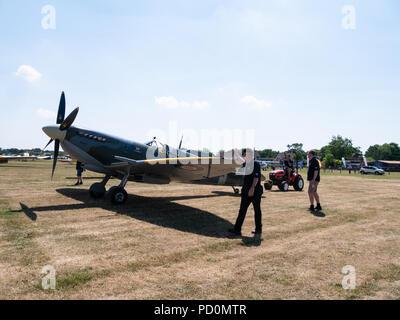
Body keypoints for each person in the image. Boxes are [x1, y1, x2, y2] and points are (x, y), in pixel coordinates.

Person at [229, 149, 263, 236]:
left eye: (245, 155)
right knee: (242, 211)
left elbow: (256, 178)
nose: (244, 156)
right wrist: (235, 153)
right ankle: (237, 230)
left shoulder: (255, 164)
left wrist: (252, 188)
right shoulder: (246, 163)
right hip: (246, 191)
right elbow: (240, 161)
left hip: (254, 192)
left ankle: (258, 229)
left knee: (257, 210)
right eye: (244, 155)